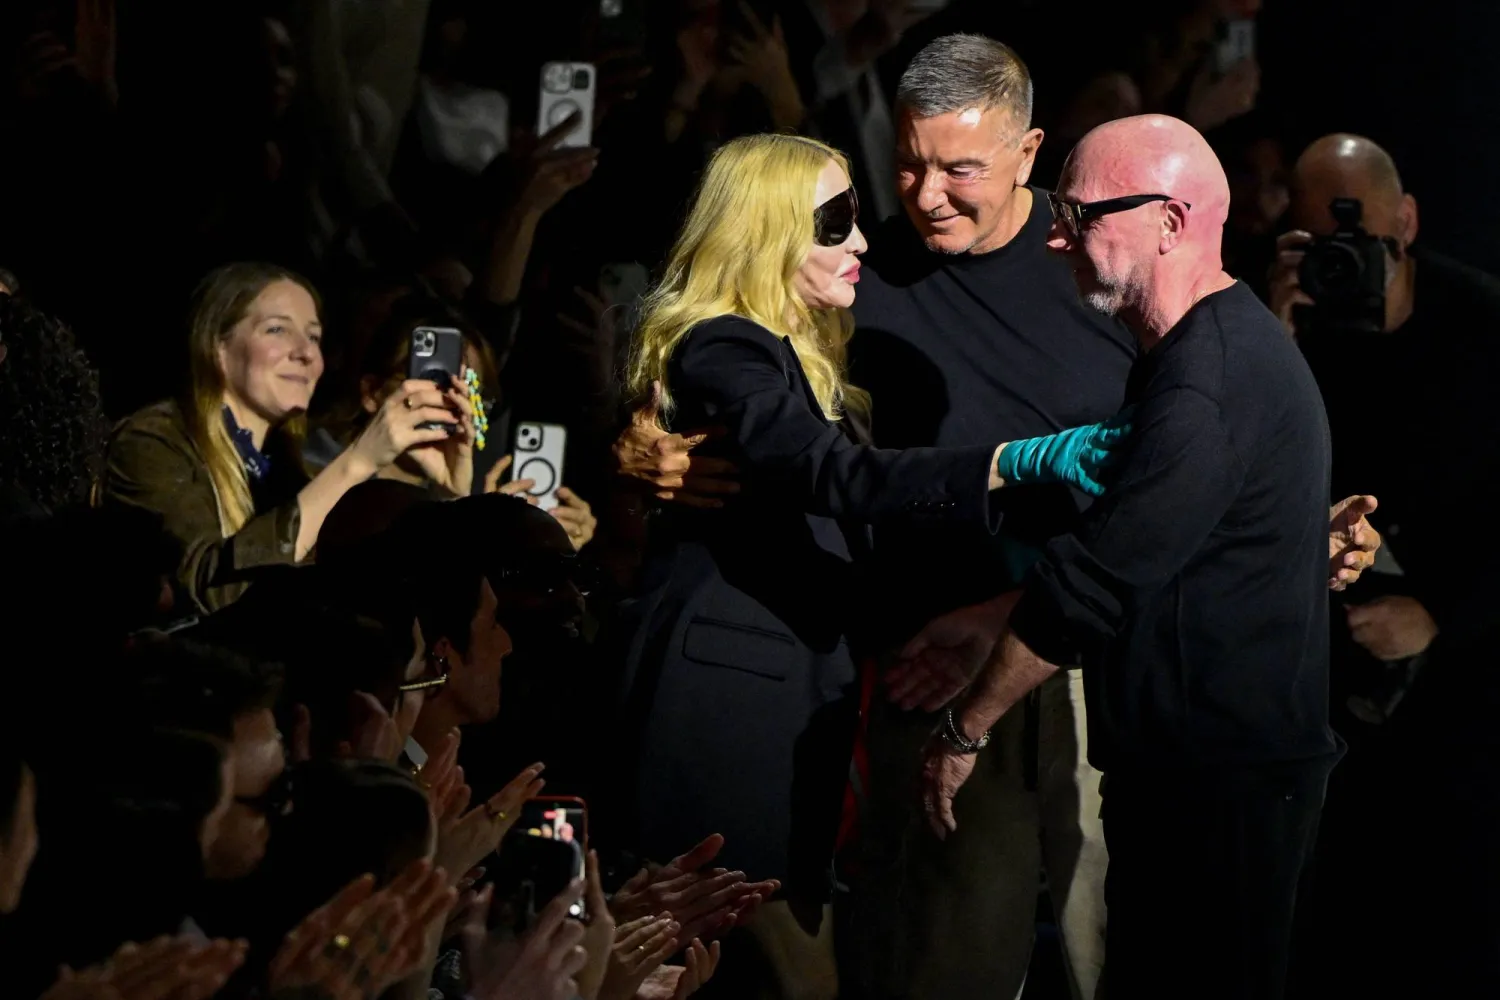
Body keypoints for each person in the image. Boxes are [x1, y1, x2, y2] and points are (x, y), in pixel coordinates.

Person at [613, 130, 1130, 999]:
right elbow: (831, 477)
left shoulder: (798, 355)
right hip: (722, 700)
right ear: (767, 230)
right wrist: (1011, 462)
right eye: (833, 220)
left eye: (856, 214)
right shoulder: (725, 346)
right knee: (732, 964)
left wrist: (980, 617)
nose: (860, 237)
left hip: (794, 694)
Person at [921, 114, 1341, 1000]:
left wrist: (965, 728)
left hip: (1216, 794)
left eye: (1079, 215)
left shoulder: (1208, 380)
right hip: (1201, 780)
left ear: (1170, 221)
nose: (1056, 237)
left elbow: (1091, 586)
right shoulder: (1199, 356)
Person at [1271, 134, 1500, 995]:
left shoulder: (1485, 326)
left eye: (1360, 238)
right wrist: (1268, 341)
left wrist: (1440, 613)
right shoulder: (1284, 337)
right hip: (1325, 691)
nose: (1346, 263)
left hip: (1466, 690)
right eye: (1320, 243)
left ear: (1406, 221)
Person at [100, 261, 472, 613]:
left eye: (314, 336)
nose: (306, 353)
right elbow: (205, 595)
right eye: (277, 329)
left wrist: (450, 499)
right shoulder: (152, 442)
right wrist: (357, 462)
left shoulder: (288, 467)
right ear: (218, 347)